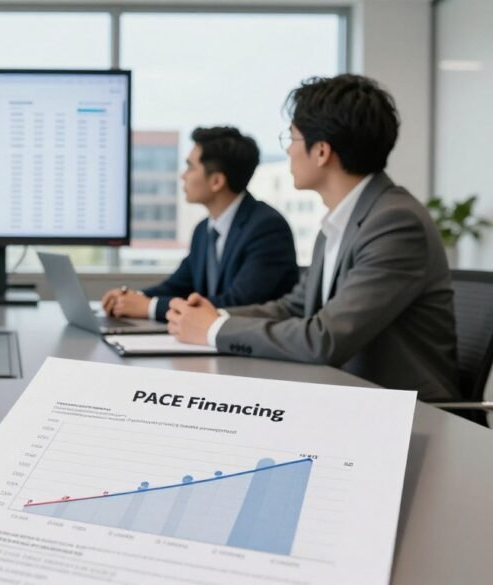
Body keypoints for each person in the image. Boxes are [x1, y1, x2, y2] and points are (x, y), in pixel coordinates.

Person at [166, 74, 458, 401]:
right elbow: (295, 307)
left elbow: (325, 338)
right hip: (346, 397)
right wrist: (216, 316)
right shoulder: (339, 222)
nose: (288, 151)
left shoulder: (395, 223)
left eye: (291, 139)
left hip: (407, 414)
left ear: (321, 152)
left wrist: (214, 330)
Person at [103, 127, 298, 322]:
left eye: (190, 167)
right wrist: (131, 298)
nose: (183, 176)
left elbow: (238, 303)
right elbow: (177, 285)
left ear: (216, 181)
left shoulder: (267, 228)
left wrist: (151, 307)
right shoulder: (204, 230)